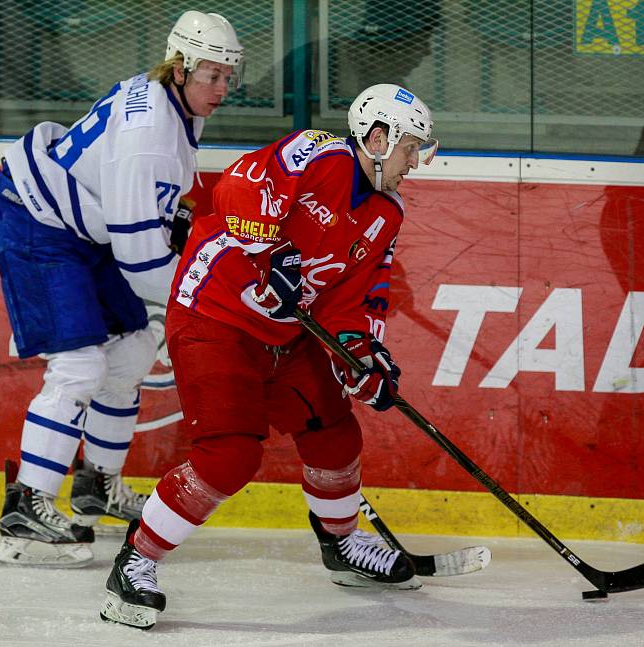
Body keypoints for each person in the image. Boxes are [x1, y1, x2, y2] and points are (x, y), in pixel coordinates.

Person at [99, 83, 438, 629]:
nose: (414, 163)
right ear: (378, 138)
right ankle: (135, 563)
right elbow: (238, 187)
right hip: (215, 317)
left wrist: (360, 358)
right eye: (409, 148)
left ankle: (342, 546)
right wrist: (270, 251)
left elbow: (352, 302)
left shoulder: (387, 214)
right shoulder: (317, 152)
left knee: (336, 432)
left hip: (286, 334)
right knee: (229, 454)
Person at [0, 11, 244, 567]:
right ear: (179, 67)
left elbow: (131, 202)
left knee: (130, 350)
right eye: (211, 75)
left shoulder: (164, 97)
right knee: (80, 367)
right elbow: (139, 258)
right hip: (37, 225)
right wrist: (209, 298)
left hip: (77, 225)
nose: (222, 88)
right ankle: (26, 508)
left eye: (230, 76)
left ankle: (95, 487)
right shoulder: (150, 134)